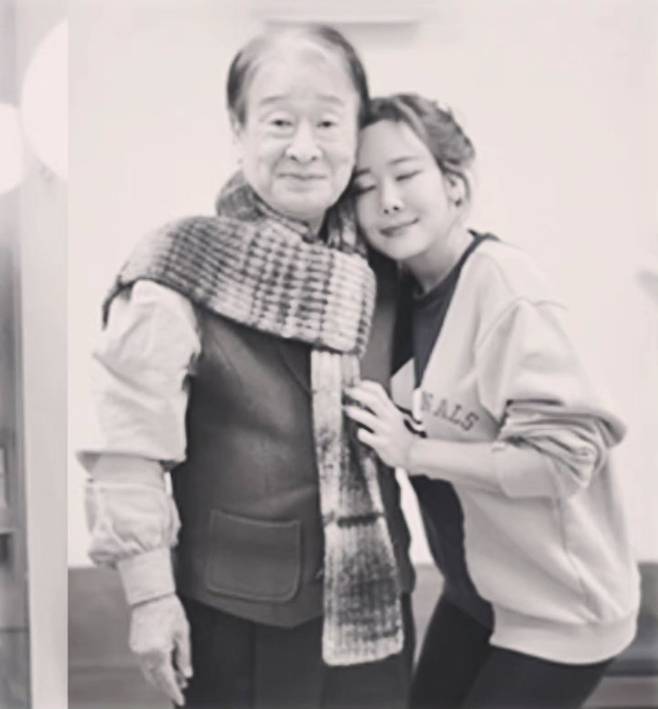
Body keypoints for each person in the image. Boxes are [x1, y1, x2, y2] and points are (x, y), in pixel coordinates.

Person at [81, 28, 415, 709]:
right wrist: (150, 598)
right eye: (279, 122)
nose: (304, 147)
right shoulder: (175, 269)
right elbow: (128, 453)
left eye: (328, 122)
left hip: (376, 606)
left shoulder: (385, 268)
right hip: (236, 621)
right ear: (238, 132)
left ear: (356, 134)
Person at [344, 93, 640, 709]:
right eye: (364, 186)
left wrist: (415, 452)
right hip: (478, 595)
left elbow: (563, 460)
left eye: (405, 174)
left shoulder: (506, 289)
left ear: (454, 184)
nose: (387, 200)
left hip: (562, 610)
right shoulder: (397, 294)